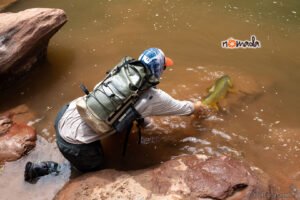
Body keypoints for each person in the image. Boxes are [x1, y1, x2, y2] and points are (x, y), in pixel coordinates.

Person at [24, 48, 210, 182]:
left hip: (64, 115)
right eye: (164, 68)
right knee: (86, 173)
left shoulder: (120, 73)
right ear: (158, 72)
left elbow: (123, 106)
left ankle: (68, 152)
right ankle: (43, 169)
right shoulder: (154, 97)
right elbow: (186, 108)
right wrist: (204, 108)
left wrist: (145, 124)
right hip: (75, 143)